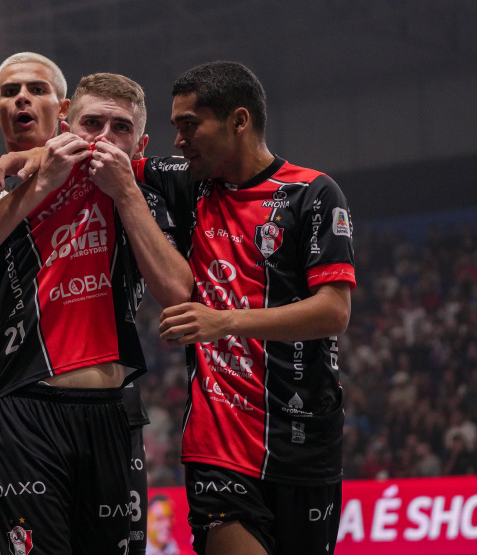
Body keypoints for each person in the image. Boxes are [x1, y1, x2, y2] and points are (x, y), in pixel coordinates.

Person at [0, 61, 192, 555]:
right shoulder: (5, 184)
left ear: (139, 146)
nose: (102, 138)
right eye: (92, 124)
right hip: (25, 406)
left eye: (120, 129)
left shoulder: (142, 191)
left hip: (112, 412)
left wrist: (125, 193)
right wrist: (38, 180)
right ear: (68, 121)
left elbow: (177, 294)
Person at [144, 61, 357, 555]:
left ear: (238, 121)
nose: (178, 141)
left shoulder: (314, 194)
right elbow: (105, 157)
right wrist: (27, 156)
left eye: (190, 125)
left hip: (305, 443)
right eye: (175, 127)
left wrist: (225, 322)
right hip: (217, 448)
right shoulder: (188, 184)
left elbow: (333, 312)